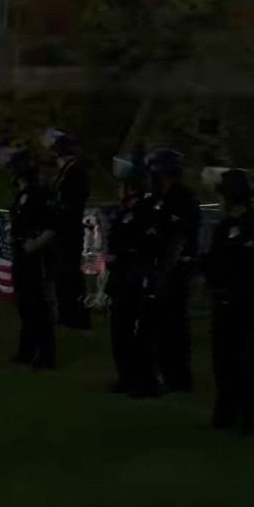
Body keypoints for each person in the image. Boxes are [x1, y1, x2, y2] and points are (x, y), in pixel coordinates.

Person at [205, 169, 254, 434]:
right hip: (223, 301)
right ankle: (225, 412)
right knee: (222, 361)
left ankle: (249, 419)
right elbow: (216, 261)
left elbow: (249, 267)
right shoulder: (223, 227)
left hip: (244, 304)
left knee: (244, 362)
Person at [142, 148, 201, 392]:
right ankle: (156, 372)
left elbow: (182, 239)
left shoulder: (183, 199)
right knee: (152, 324)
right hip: (154, 267)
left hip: (174, 270)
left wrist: (173, 269)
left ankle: (177, 377)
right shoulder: (155, 198)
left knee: (173, 324)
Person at [1, 141, 58, 369]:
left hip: (35, 256)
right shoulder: (21, 195)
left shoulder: (39, 194)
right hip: (20, 253)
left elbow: (52, 225)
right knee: (25, 304)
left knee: (38, 306)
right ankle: (26, 350)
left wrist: (36, 243)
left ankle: (46, 355)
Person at [105, 154, 154, 395]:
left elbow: (143, 246)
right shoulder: (123, 212)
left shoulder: (143, 212)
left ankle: (140, 380)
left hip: (133, 279)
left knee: (134, 333)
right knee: (119, 333)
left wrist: (121, 255)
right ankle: (125, 377)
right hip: (121, 279)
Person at [45, 129, 91, 329]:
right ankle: (66, 313)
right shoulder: (66, 172)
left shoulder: (74, 172)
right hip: (64, 229)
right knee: (62, 274)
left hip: (68, 230)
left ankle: (75, 316)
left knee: (69, 274)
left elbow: (69, 202)